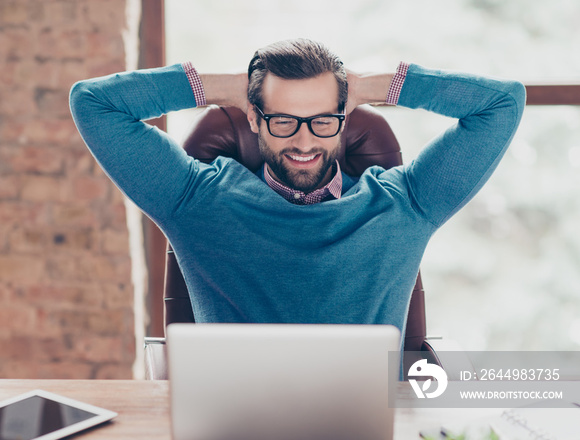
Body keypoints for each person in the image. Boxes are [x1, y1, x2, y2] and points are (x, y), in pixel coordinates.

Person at [69, 39, 525, 346]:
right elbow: (92, 102)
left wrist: (372, 87)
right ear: (253, 118)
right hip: (232, 438)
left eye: (323, 120)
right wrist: (223, 87)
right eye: (283, 120)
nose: (304, 142)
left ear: (344, 118)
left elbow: (503, 103)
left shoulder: (407, 203)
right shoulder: (194, 200)